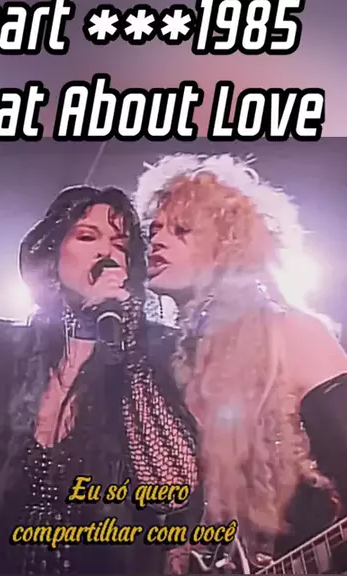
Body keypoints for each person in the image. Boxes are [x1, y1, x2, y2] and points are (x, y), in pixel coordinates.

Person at [0, 185, 198, 575]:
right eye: (87, 237)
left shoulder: (160, 356)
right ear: (52, 250)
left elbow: (170, 490)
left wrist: (129, 347)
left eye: (120, 245)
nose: (106, 252)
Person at [135, 153, 347, 571]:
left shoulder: (292, 333)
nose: (157, 241)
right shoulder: (169, 365)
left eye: (181, 230)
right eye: (153, 229)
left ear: (228, 246)